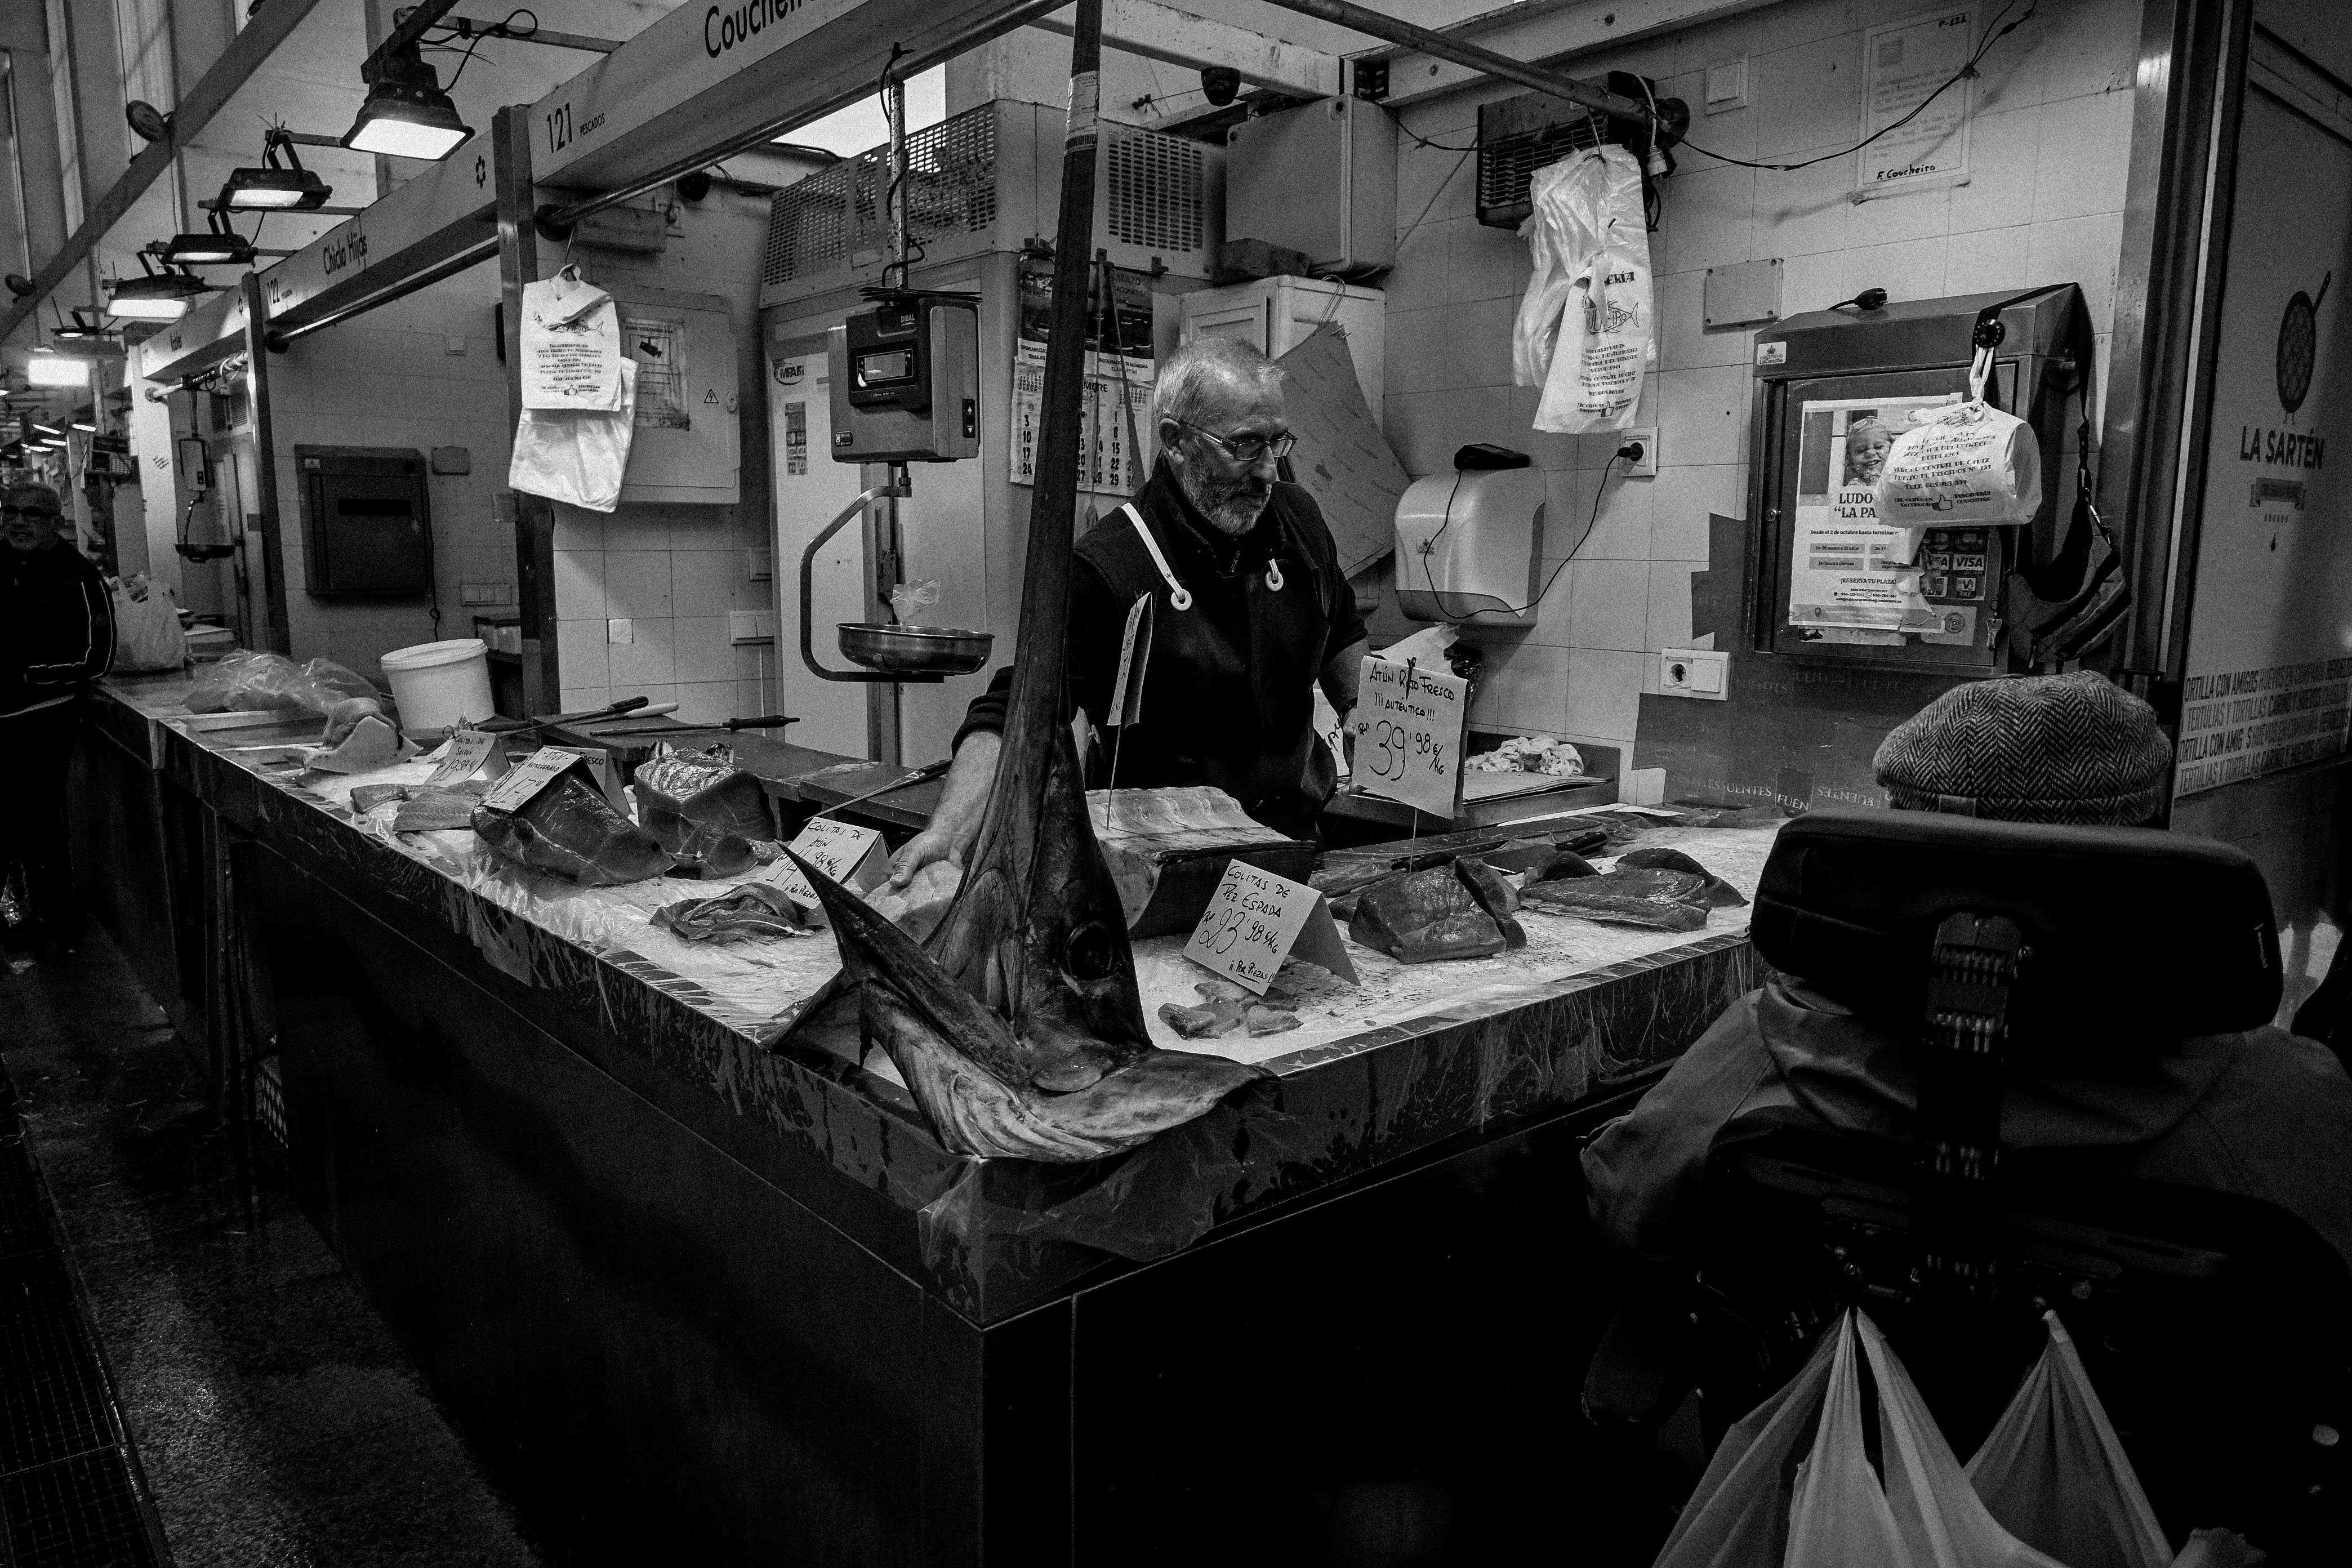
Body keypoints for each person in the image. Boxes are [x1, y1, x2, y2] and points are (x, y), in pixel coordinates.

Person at [1583, 671, 2352, 1318]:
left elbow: (1628, 1216)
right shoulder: (2284, 1093)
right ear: (2149, 850)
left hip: (1833, 1464)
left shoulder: (1768, 1050)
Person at [887, 337, 1369, 888]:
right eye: (1244, 446)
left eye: (1277, 443)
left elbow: (1340, 629)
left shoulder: (1298, 518)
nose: (1266, 471)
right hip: (1166, 876)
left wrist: (1358, 704)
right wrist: (950, 834)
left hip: (1294, 857)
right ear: (1175, 442)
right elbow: (1021, 708)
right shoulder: (1109, 567)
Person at [0, 480, 114, 948]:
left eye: (32, 514)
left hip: (44, 716)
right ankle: (21, 911)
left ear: (53, 524)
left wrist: (31, 676)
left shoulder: (79, 576)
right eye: (12, 512)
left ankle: (55, 919)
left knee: (37, 820)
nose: (20, 521)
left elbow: (98, 656)